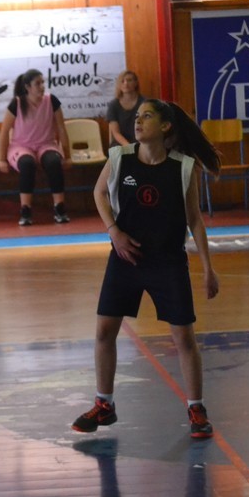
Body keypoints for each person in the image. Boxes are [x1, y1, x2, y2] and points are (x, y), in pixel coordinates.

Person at [71, 99, 222, 440]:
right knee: (104, 332)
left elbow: (195, 219)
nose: (138, 121)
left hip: (167, 262)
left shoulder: (183, 167)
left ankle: (196, 408)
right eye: (137, 116)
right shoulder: (120, 158)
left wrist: (208, 268)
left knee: (183, 338)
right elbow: (99, 193)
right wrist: (115, 232)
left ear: (165, 126)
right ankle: (104, 404)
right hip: (125, 258)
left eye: (147, 116)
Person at [0, 68, 72, 226]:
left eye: (43, 82)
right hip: (21, 146)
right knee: (27, 164)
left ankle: (59, 207)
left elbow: (61, 128)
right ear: (27, 87)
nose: (42, 86)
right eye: (37, 83)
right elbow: (4, 132)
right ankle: (25, 210)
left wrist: (68, 156)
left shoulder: (51, 101)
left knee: (54, 162)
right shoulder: (17, 103)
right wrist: (1, 159)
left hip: (46, 144)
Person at [106, 70, 146, 148]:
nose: (126, 83)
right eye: (122, 81)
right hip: (120, 144)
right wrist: (129, 147)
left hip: (142, 142)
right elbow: (116, 133)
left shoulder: (146, 103)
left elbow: (149, 128)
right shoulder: (113, 105)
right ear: (119, 84)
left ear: (136, 83)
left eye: (129, 80)